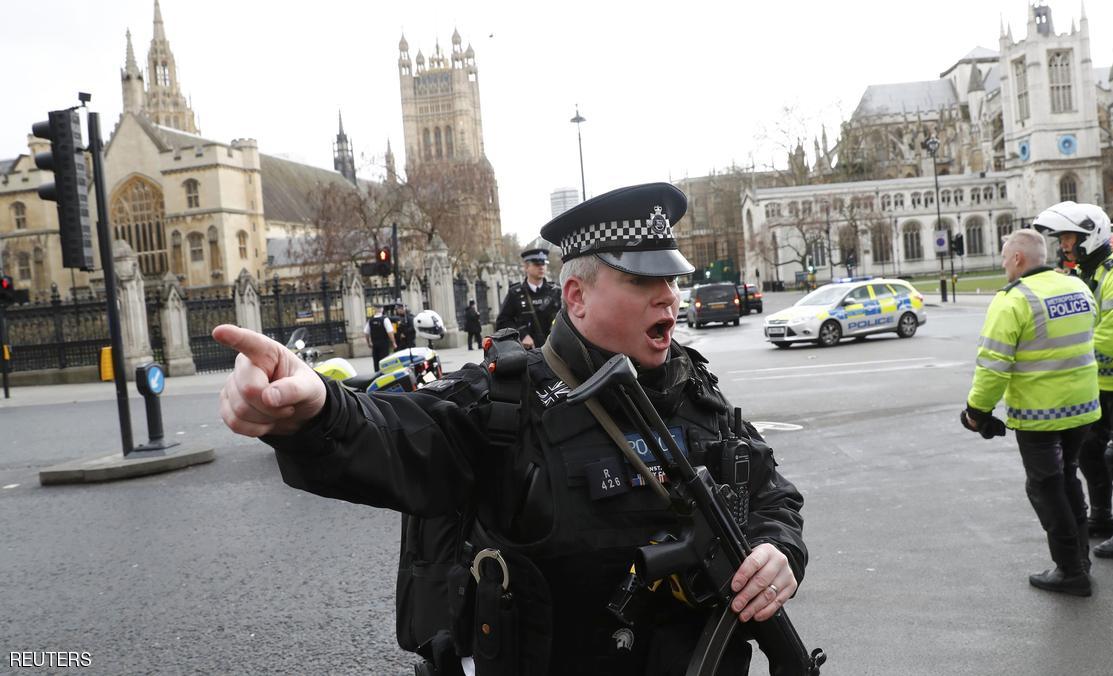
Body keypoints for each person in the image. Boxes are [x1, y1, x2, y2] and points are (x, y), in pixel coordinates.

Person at [213, 182, 807, 675]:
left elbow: (769, 491)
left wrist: (777, 549)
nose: (670, 300)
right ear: (576, 297)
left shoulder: (693, 389)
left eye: (672, 281)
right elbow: (397, 436)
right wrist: (315, 409)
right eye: (643, 283)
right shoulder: (506, 404)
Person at [961, 228, 1100, 596]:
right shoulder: (1077, 287)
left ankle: (1070, 570)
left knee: (1045, 487)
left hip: (1041, 415)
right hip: (1083, 408)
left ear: (1018, 259)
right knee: (1069, 478)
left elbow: (992, 366)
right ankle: (1081, 560)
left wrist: (977, 412)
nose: (1004, 264)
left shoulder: (1013, 301)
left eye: (1006, 258)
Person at [1033, 201, 1113, 558]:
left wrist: (1068, 361)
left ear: (1091, 236)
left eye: (1069, 237)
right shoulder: (1084, 275)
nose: (1064, 245)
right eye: (1062, 238)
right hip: (1099, 383)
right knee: (1091, 451)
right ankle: (1103, 518)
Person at [496, 247, 561, 348]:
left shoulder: (555, 292)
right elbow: (503, 321)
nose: (541, 267)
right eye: (537, 264)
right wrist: (521, 335)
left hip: (554, 350)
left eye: (543, 263)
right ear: (526, 267)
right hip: (527, 352)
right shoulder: (515, 293)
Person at [364, 306, 395, 373]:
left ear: (374, 310)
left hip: (375, 344)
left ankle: (377, 375)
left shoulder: (370, 320)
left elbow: (366, 333)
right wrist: (393, 342)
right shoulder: (385, 319)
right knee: (384, 361)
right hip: (384, 344)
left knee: (376, 362)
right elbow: (390, 332)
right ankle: (385, 376)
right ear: (382, 309)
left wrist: (368, 342)